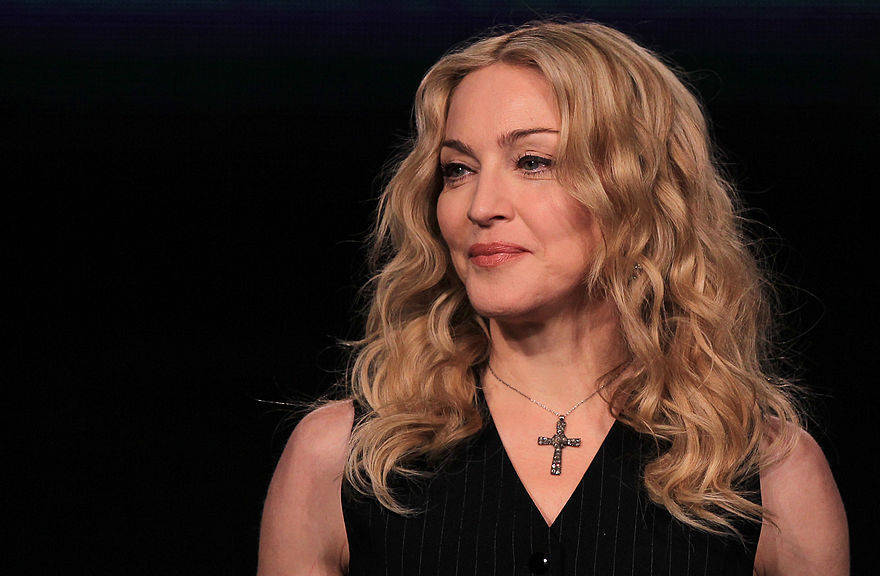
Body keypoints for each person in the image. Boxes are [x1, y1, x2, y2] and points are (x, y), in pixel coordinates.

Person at [258, 20, 848, 576]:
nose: (481, 206)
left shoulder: (770, 473)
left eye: (533, 162)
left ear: (639, 188)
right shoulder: (340, 459)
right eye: (457, 169)